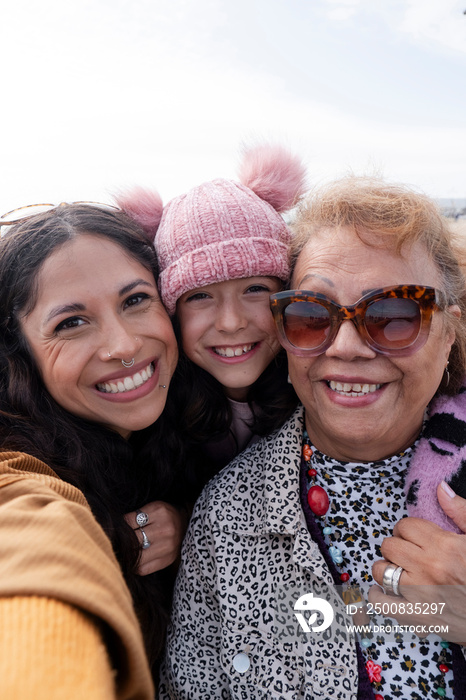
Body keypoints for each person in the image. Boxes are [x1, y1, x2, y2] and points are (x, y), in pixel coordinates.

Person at [159, 177, 466, 699]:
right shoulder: (227, 515)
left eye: (394, 315)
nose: (347, 347)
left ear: (448, 333)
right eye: (311, 316)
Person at [0, 202, 183, 693]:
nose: (122, 344)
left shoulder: (195, 424)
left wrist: (191, 521)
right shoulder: (18, 470)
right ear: (18, 354)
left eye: (136, 300)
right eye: (71, 323)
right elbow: (29, 538)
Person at [118, 143, 305, 500]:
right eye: (200, 296)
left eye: (254, 288)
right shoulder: (153, 409)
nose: (231, 322)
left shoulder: (315, 387)